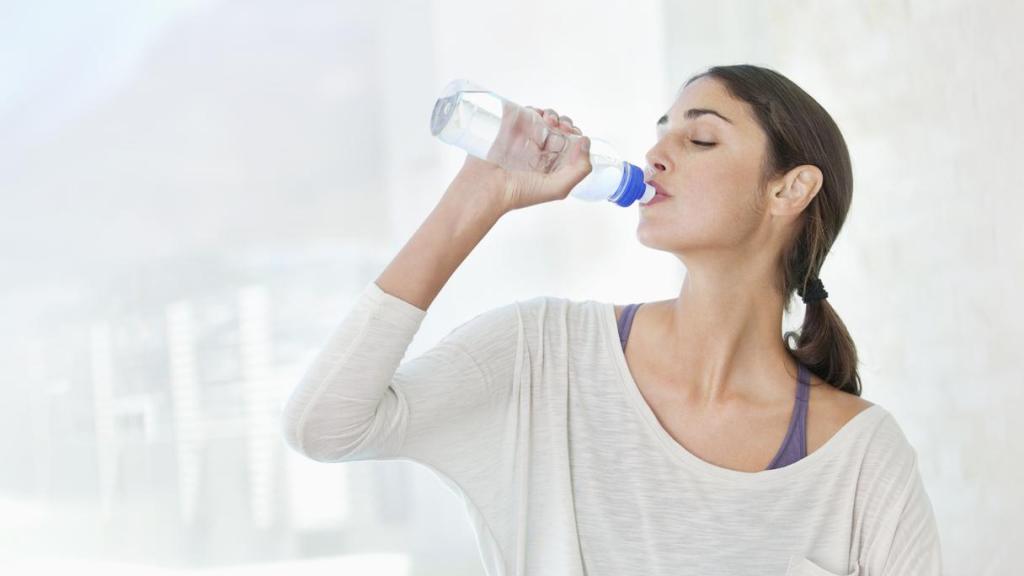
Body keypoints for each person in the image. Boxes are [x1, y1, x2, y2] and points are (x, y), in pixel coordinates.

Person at [280, 64, 943, 575]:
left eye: (701, 137)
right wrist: (475, 200)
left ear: (788, 189)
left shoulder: (860, 457)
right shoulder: (543, 356)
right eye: (661, 132)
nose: (657, 154)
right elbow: (325, 426)